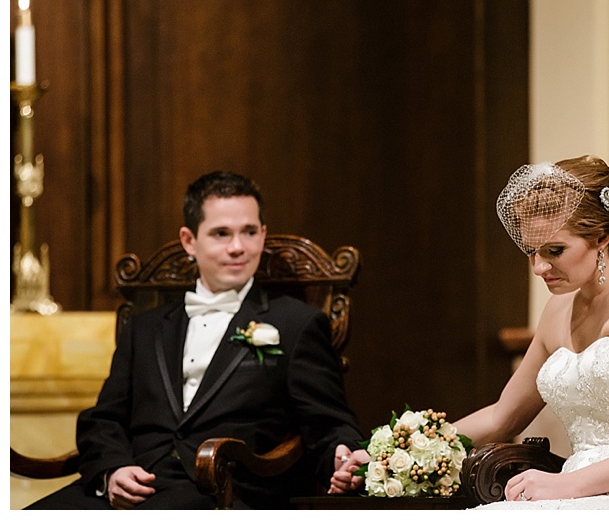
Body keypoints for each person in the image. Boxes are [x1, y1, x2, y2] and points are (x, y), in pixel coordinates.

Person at [330, 155, 609, 509]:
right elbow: (502, 417)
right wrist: (388, 452)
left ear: (601, 237)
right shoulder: (558, 311)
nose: (539, 267)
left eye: (554, 251)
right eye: (531, 251)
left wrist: (567, 485)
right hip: (574, 490)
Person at [27, 170, 364, 509]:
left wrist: (342, 457)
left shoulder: (296, 323)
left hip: (222, 493)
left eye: (249, 232)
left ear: (263, 235)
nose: (238, 247)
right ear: (189, 241)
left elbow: (329, 422)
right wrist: (113, 470)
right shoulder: (146, 328)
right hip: (137, 483)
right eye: (221, 233)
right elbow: (104, 419)